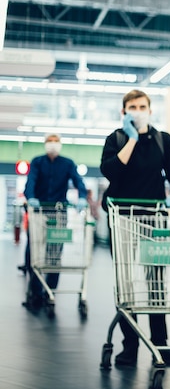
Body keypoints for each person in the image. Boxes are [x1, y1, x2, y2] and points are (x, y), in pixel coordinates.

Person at [100, 89, 170, 368]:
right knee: (126, 284)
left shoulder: (163, 140)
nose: (137, 111)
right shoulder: (116, 139)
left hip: (153, 219)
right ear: (123, 112)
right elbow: (111, 171)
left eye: (142, 106)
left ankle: (160, 345)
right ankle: (130, 346)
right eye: (131, 107)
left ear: (150, 110)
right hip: (122, 218)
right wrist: (132, 140)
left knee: (156, 283)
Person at [21, 133, 88, 310]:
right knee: (33, 251)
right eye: (49, 141)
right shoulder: (37, 162)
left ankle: (49, 289)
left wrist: (82, 197)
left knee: (54, 253)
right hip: (38, 211)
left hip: (58, 212)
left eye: (55, 141)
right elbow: (31, 182)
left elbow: (79, 182)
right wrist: (31, 197)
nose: (52, 144)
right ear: (45, 144)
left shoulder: (67, 163)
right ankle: (35, 291)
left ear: (60, 144)